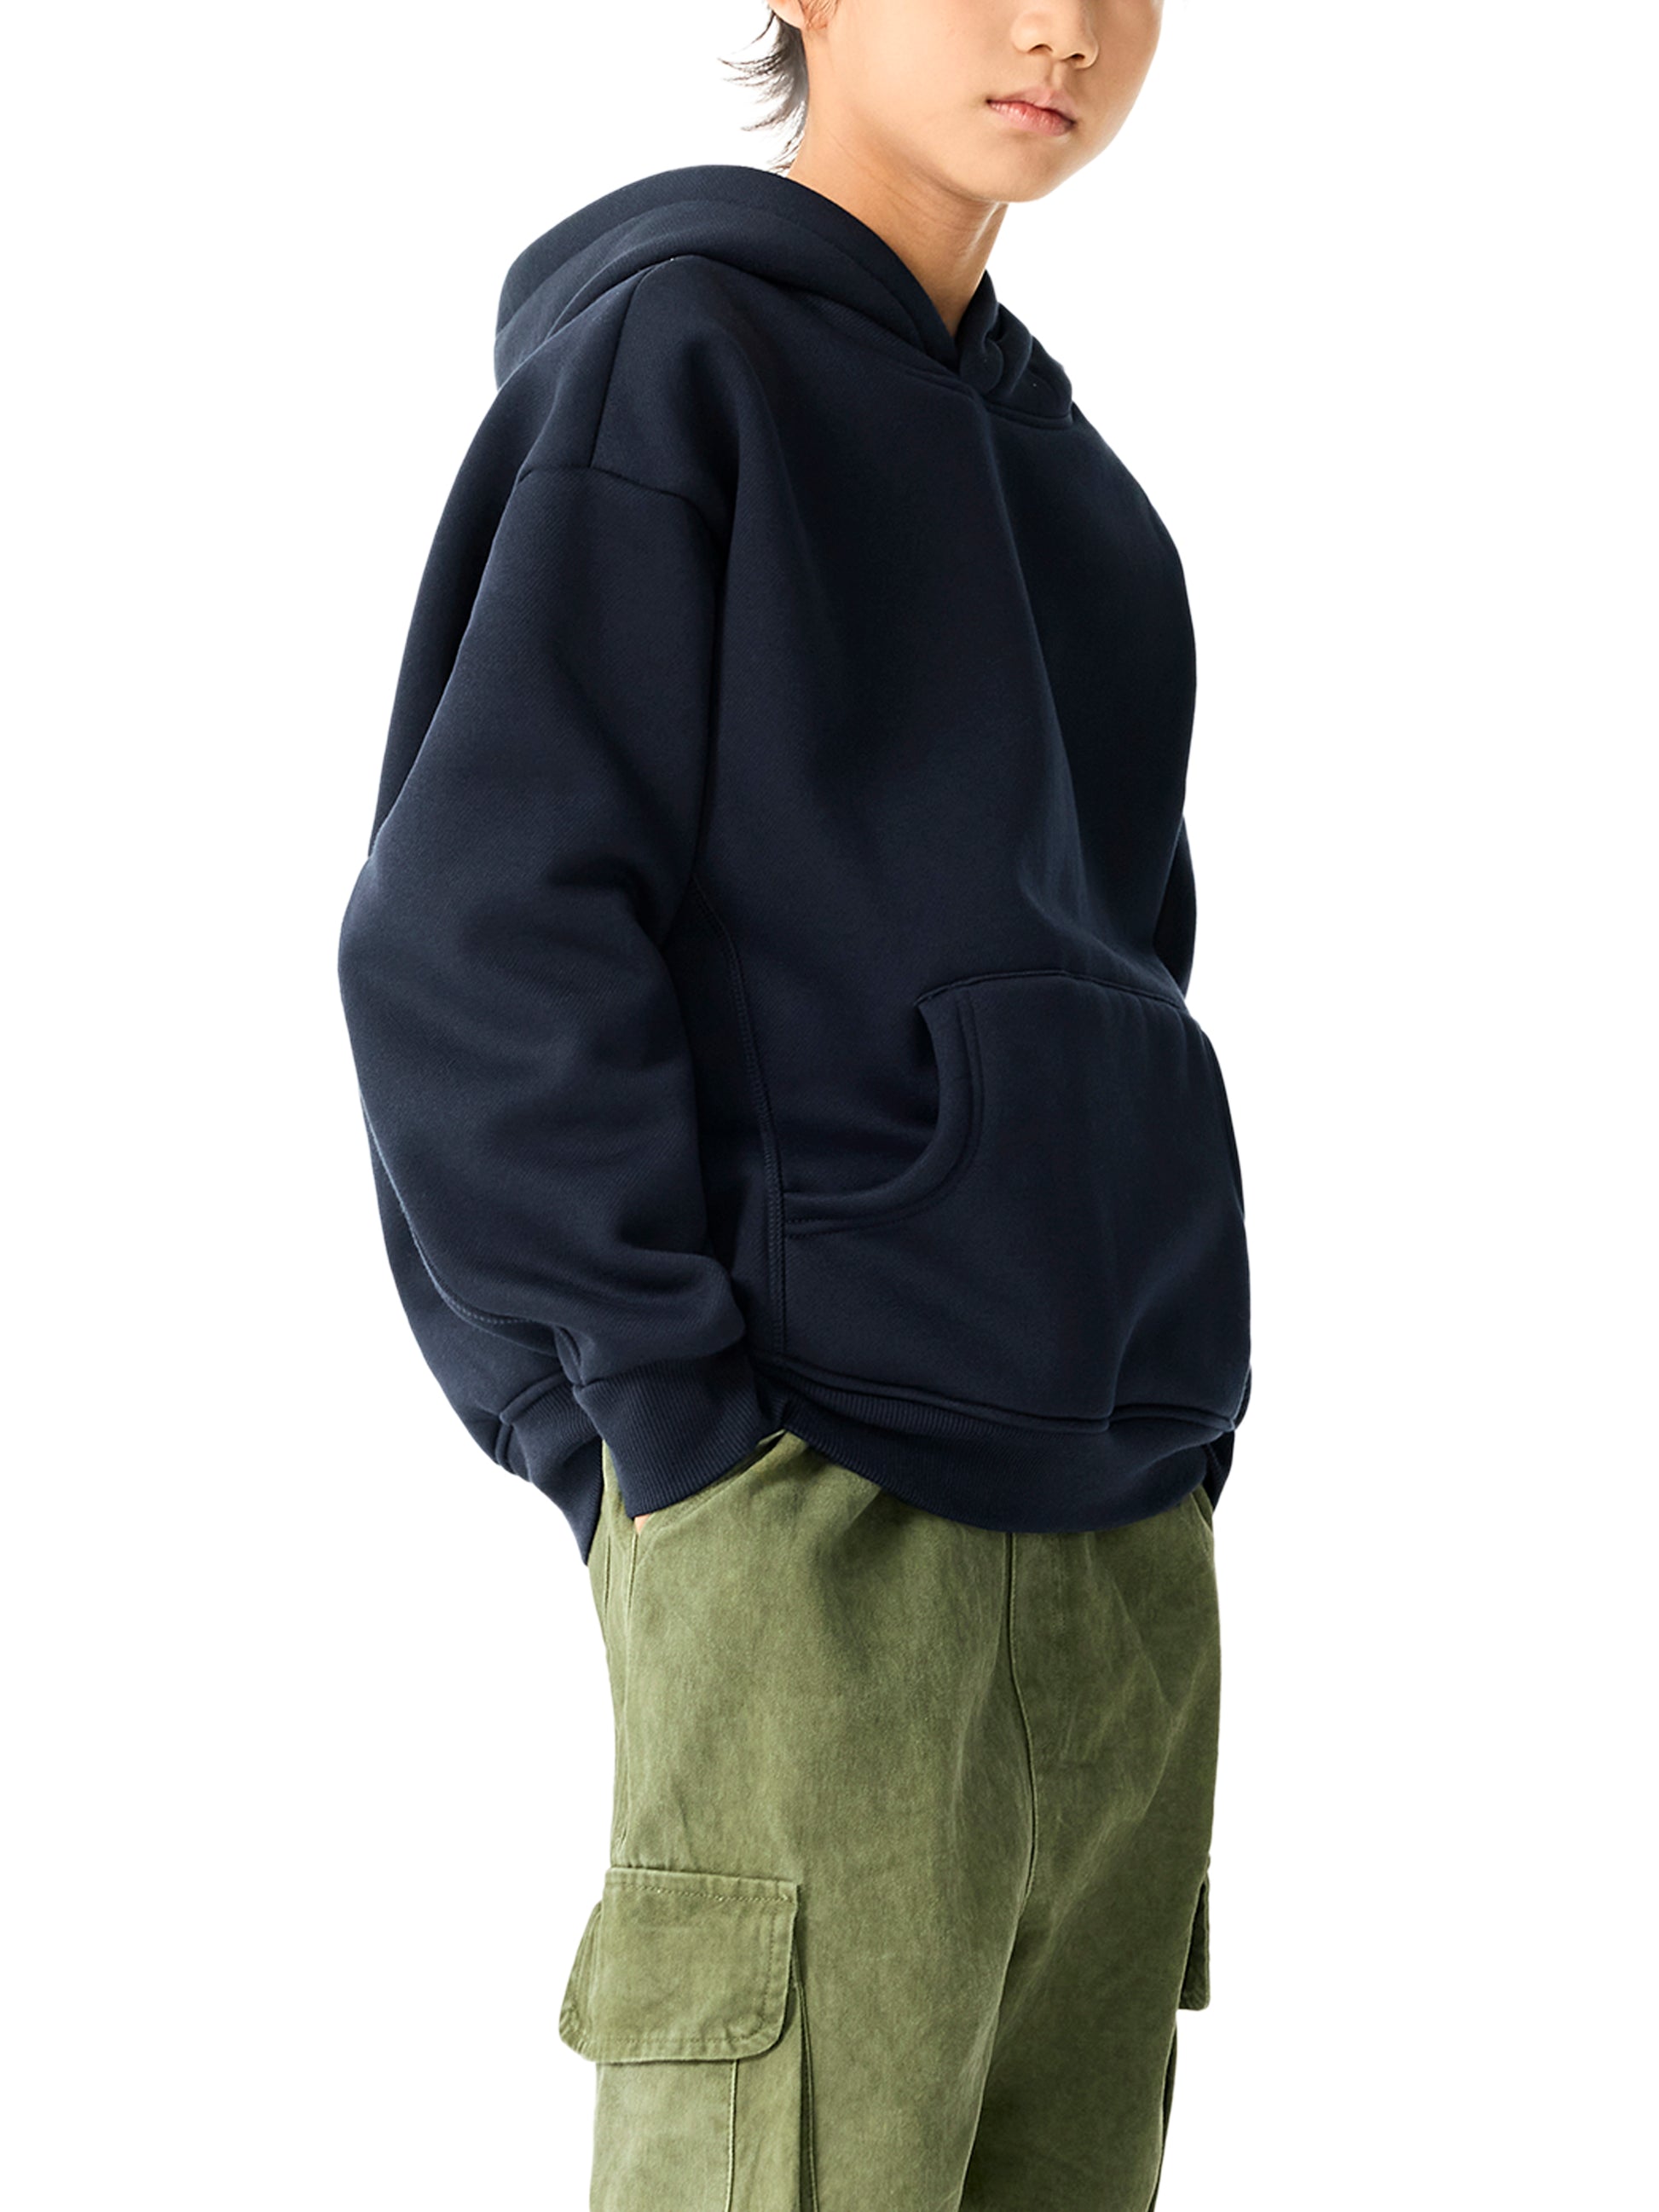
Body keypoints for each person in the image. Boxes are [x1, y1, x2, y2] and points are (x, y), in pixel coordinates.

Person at [336, 0, 1251, 2203]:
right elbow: (475, 931)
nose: (1062, 27)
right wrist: (656, 1430)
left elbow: (1130, 964)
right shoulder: (677, 366)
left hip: (1124, 1533)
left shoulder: (1091, 506)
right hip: (809, 1500)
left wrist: (1169, 1409)